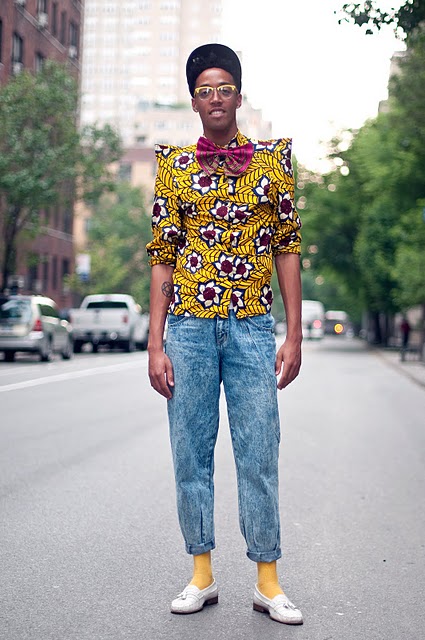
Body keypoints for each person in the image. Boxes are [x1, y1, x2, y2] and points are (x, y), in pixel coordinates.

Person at [146, 43, 303, 626]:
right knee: (191, 452)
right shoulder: (173, 165)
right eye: (205, 89)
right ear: (194, 101)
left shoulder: (272, 161)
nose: (216, 98)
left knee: (259, 449)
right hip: (187, 327)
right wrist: (155, 342)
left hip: (252, 327)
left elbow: (287, 248)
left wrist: (294, 334)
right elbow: (163, 255)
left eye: (225, 88)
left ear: (239, 95)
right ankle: (202, 574)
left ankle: (268, 581)